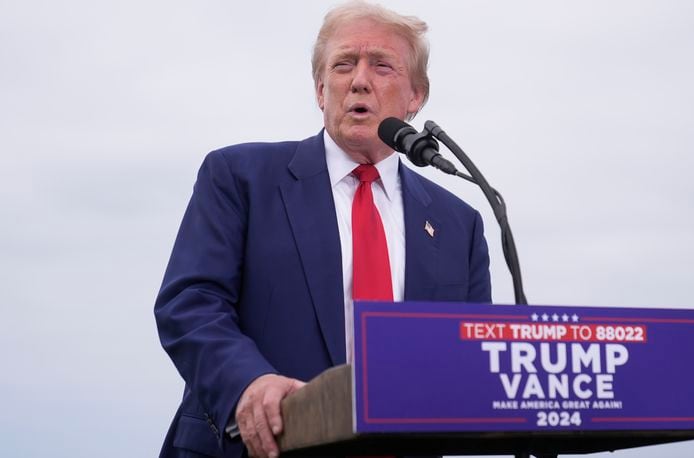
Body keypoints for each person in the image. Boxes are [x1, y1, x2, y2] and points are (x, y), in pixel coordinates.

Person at [154, 2, 491, 457]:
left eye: (382, 66)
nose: (359, 80)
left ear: (416, 98)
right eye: (343, 64)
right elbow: (189, 305)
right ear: (320, 89)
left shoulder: (459, 224)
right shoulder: (239, 177)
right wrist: (248, 383)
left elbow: (468, 358)